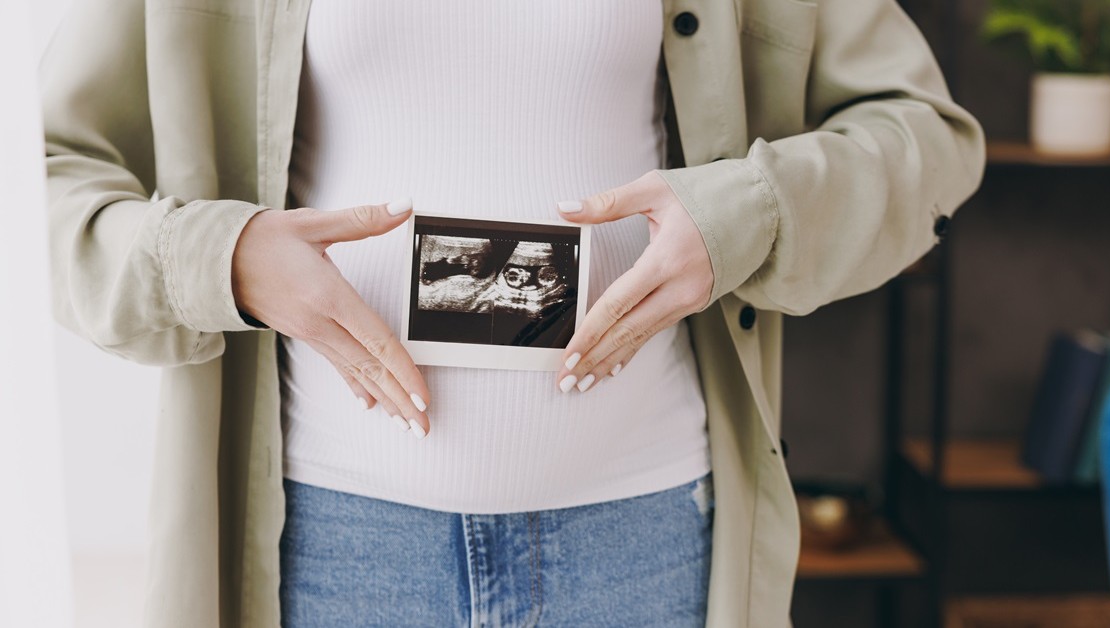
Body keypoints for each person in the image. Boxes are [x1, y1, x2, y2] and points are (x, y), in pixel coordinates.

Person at [41, 0, 985, 626]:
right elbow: (42, 172)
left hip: (644, 545)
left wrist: (750, 212)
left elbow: (925, 136)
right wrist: (228, 257)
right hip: (331, 553)